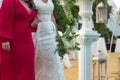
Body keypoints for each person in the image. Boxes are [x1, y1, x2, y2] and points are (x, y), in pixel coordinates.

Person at [0, 0, 39, 80]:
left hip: (28, 43)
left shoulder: (29, 2)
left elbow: (29, 24)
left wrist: (34, 23)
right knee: (12, 70)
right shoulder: (9, 1)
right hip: (13, 42)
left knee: (28, 67)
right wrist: (5, 39)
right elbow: (4, 19)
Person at [33, 0, 65, 80]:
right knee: (41, 61)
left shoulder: (50, 0)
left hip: (51, 33)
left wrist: (57, 34)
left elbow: (52, 17)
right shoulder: (33, 1)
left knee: (55, 60)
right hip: (39, 32)